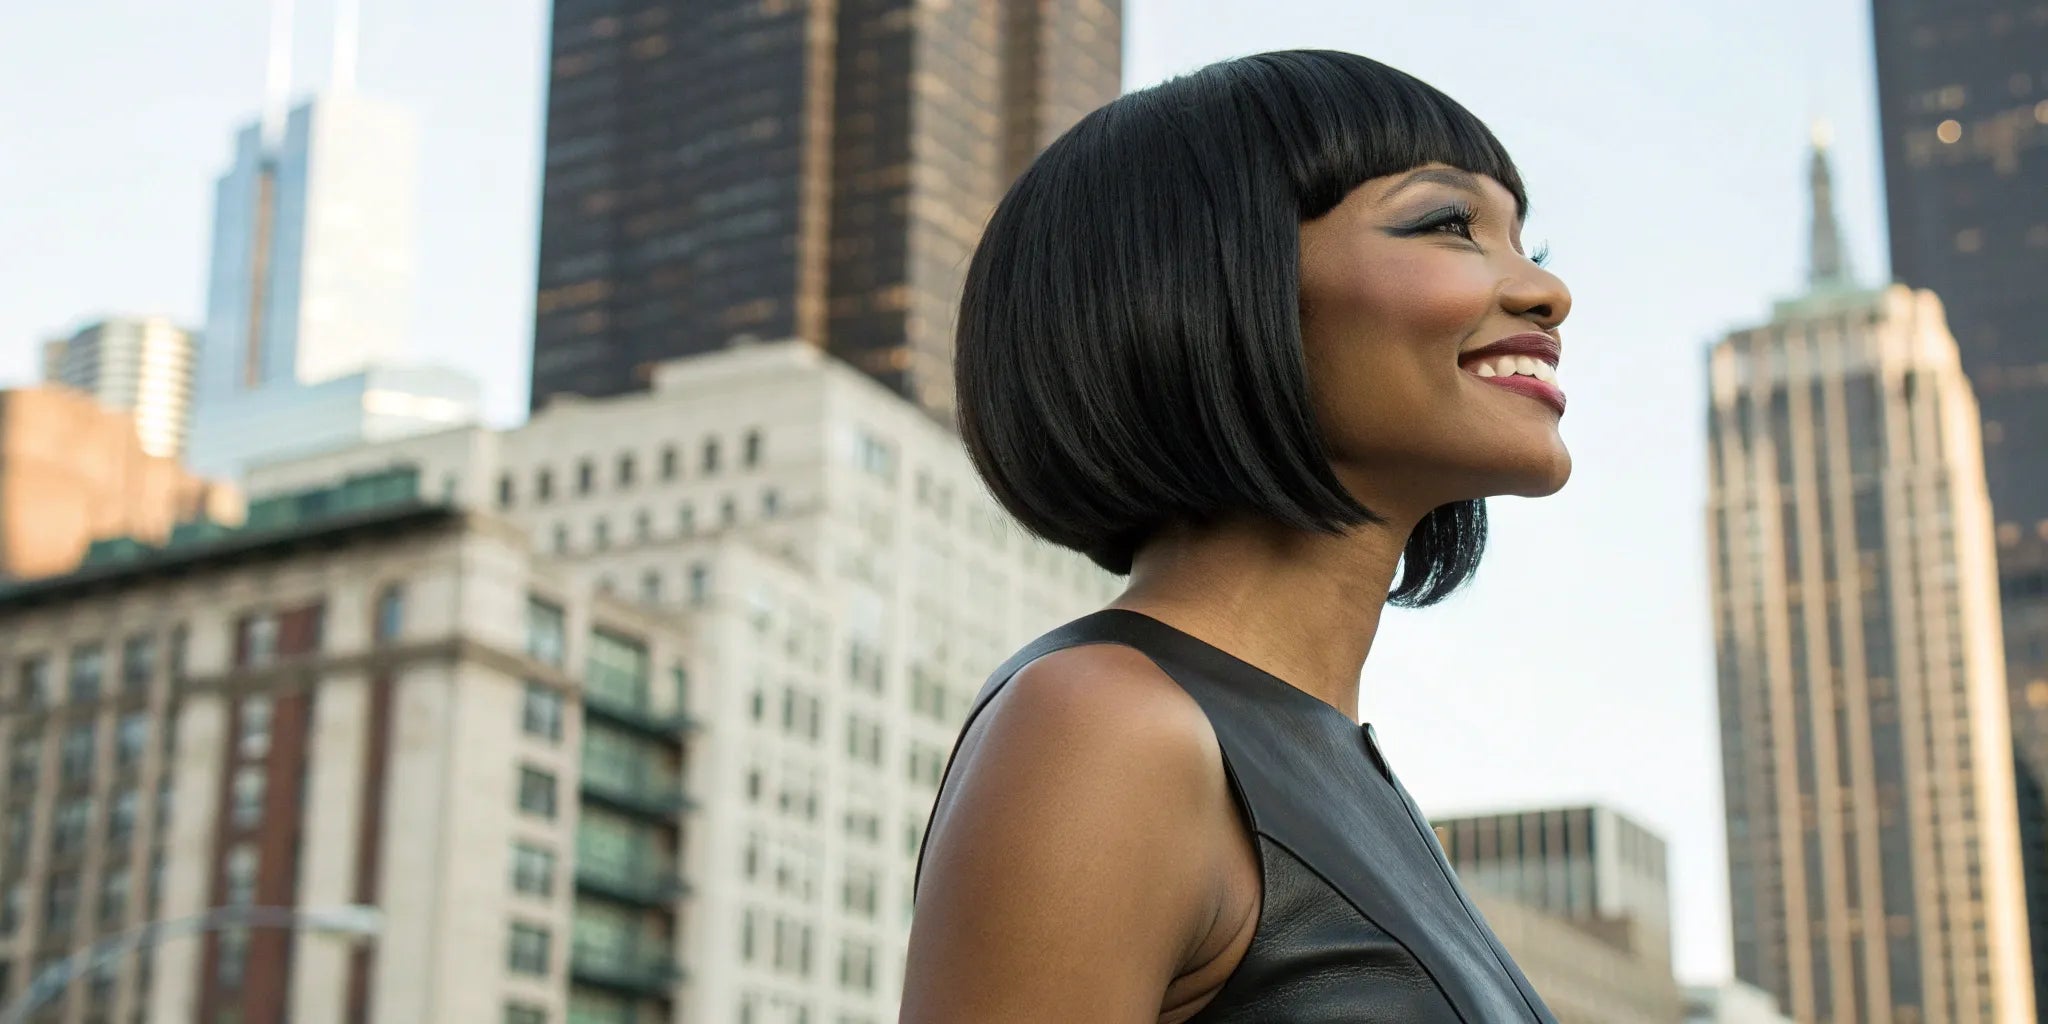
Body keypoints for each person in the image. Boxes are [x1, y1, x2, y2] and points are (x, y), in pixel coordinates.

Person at [901, 50, 1571, 1023]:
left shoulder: (1347, 778)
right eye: (1446, 223)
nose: (1546, 293)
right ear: (1219, 283)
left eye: (1529, 246)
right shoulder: (1107, 725)